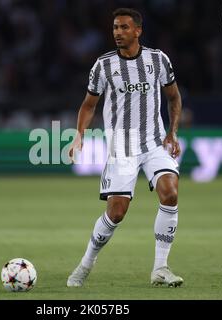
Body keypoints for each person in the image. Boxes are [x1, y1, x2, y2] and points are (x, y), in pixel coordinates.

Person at [67, 8, 184, 287]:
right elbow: (89, 105)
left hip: (155, 143)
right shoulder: (104, 65)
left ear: (138, 31)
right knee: (117, 212)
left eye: (123, 27)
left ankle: (160, 268)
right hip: (122, 148)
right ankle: (86, 264)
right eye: (115, 28)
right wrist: (79, 134)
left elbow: (174, 97)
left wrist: (172, 132)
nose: (118, 32)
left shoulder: (158, 60)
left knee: (170, 194)